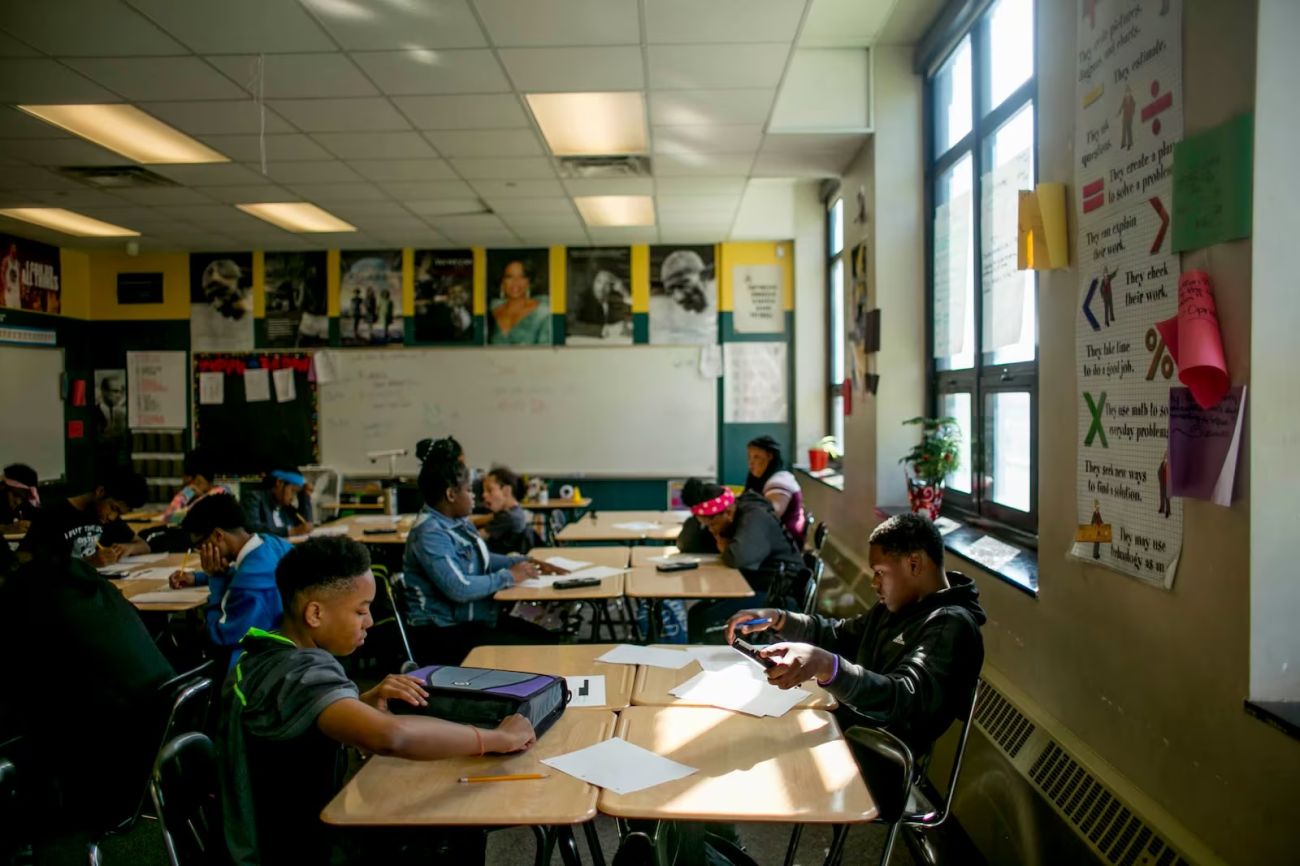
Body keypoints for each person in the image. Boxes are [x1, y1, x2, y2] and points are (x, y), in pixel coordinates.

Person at [219, 536, 536, 866]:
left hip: (287, 823)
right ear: (315, 613)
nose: (370, 621)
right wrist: (497, 737)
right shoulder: (298, 673)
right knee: (449, 817)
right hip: (298, 848)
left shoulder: (263, 653)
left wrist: (359, 703)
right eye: (361, 610)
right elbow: (392, 736)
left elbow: (294, 728)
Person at [726, 512, 986, 761]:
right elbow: (839, 635)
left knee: (757, 747)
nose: (874, 583)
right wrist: (780, 618)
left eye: (880, 572)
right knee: (748, 735)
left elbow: (902, 700)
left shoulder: (949, 625)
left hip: (878, 758)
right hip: (844, 733)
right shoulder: (896, 607)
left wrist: (828, 666)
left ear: (914, 563)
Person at [0, 552, 175, 863]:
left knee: (25, 739)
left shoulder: (29, 605)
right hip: (162, 747)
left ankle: (29, 843)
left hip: (116, 772)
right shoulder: (96, 591)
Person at [400, 451, 564, 664]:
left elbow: (482, 559)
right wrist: (509, 576)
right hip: (442, 634)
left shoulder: (457, 521)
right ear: (451, 494)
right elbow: (459, 588)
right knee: (542, 649)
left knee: (549, 638)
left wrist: (524, 561)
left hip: (473, 621)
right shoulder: (430, 533)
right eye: (469, 490)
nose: (474, 496)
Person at [170, 493, 291, 667]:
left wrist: (215, 579)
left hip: (254, 664)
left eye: (199, 546)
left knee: (185, 641)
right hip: (285, 647)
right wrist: (198, 578)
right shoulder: (272, 544)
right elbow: (245, 572)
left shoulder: (248, 586)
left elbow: (219, 636)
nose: (200, 552)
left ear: (218, 536)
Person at [677, 478, 802, 641]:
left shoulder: (754, 516)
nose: (711, 530)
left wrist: (725, 548)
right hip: (757, 585)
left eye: (712, 524)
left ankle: (705, 661)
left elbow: (737, 558)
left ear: (728, 512)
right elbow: (685, 544)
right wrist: (698, 515)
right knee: (696, 613)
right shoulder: (728, 516)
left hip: (780, 594)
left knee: (706, 620)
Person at [18, 467, 149, 566]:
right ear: (100, 492)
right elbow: (23, 557)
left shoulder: (107, 517)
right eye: (113, 508)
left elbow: (144, 546)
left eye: (119, 513)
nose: (112, 517)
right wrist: (88, 562)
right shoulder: (53, 514)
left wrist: (128, 548)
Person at [743, 435, 808, 547]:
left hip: (786, 543)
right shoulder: (764, 478)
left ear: (769, 456)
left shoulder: (779, 482)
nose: (751, 462)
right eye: (749, 457)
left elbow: (770, 516)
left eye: (756, 457)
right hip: (773, 537)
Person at [650, 249, 717, 345]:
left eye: (683, 284)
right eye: (671, 290)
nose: (678, 297)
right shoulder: (668, 315)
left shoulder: (728, 296)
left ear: (704, 276)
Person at [489, 258, 552, 345]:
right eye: (509, 277)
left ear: (529, 282)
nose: (515, 282)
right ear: (502, 282)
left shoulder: (542, 313)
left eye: (522, 277)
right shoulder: (492, 310)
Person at [160, 448, 227, 526]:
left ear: (198, 478)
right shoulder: (221, 492)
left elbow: (169, 517)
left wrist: (186, 492)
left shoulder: (212, 496)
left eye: (185, 476)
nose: (183, 482)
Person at [242, 467, 313, 538]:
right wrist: (290, 531)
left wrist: (305, 496)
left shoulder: (287, 508)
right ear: (279, 483)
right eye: (292, 491)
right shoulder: (254, 498)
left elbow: (306, 525)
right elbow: (253, 528)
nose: (292, 498)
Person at [475, 466, 531, 555]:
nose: (484, 495)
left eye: (489, 490)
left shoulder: (507, 517)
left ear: (506, 491)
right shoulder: (515, 511)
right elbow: (485, 518)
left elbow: (475, 538)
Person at [0, 462, 39, 533]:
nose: (18, 502)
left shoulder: (26, 504)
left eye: (22, 498)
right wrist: (7, 528)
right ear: (3, 488)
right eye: (15, 495)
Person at [94, 374, 127, 439]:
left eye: (120, 392)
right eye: (115, 391)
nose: (119, 395)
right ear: (104, 391)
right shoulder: (94, 413)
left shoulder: (121, 414)